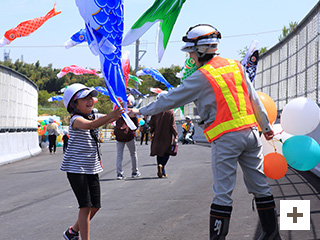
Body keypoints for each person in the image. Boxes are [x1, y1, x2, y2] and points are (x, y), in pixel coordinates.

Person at [130, 24, 281, 240]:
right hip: (251, 134)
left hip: (226, 138)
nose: (190, 56)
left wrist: (140, 111)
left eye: (191, 51)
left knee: (223, 193)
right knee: (260, 185)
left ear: (201, 50)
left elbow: (170, 99)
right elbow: (254, 99)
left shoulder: (201, 76)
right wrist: (265, 128)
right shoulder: (236, 66)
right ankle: (272, 235)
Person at [60, 83, 124, 240]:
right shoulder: (76, 119)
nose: (89, 101)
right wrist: (110, 116)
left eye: (91, 98)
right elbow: (90, 126)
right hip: (76, 169)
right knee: (86, 206)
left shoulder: (94, 115)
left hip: (91, 167)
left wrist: (120, 110)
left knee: (95, 206)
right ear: (74, 104)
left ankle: (72, 232)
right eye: (84, 99)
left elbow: (107, 118)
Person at [149, 91, 178, 178]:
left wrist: (152, 132)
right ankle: (162, 166)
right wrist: (175, 135)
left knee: (159, 153)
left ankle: (162, 170)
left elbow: (152, 124)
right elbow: (173, 125)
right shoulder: (170, 111)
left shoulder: (156, 110)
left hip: (157, 135)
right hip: (167, 135)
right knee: (167, 152)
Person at [114, 99, 141, 180]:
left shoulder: (117, 112)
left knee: (119, 155)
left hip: (119, 137)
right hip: (129, 136)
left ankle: (119, 173)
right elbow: (135, 125)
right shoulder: (131, 112)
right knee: (133, 154)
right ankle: (134, 172)